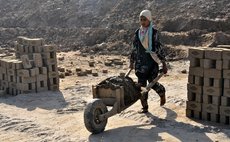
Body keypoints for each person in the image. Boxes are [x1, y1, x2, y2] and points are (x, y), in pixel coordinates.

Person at [129, 10, 168, 113]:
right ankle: (144, 107)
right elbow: (134, 47)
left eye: (144, 19)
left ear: (149, 19)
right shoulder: (138, 32)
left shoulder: (154, 32)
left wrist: (163, 63)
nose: (142, 22)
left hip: (151, 62)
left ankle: (162, 92)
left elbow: (159, 47)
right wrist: (131, 61)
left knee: (152, 82)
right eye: (141, 19)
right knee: (141, 87)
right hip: (140, 63)